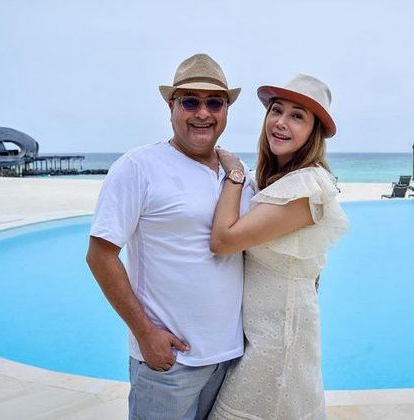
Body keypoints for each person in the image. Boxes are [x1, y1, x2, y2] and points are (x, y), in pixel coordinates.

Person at [86, 53, 255, 420]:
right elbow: (100, 255)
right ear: (171, 107)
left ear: (226, 110)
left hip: (229, 358)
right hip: (170, 362)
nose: (203, 113)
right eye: (190, 102)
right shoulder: (138, 167)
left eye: (214, 103)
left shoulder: (238, 175)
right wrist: (145, 333)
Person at [207, 74, 349, 419]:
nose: (281, 123)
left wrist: (234, 175)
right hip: (260, 333)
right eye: (276, 110)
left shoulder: (306, 186)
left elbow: (223, 241)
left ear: (313, 132)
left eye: (297, 116)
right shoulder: (277, 181)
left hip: (278, 341)